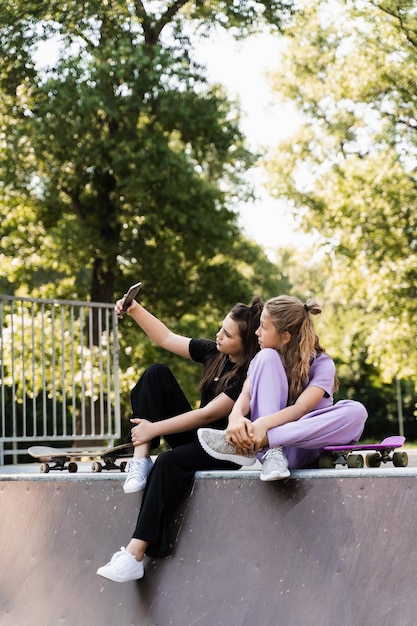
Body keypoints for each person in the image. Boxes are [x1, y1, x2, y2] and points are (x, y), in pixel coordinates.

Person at [96, 292, 263, 582]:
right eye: (221, 328)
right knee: (156, 373)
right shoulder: (215, 353)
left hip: (226, 449)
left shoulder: (248, 373)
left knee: (169, 463)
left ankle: (135, 555)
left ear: (245, 343)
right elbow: (166, 338)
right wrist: (134, 309)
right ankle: (140, 459)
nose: (218, 335)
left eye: (227, 334)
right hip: (199, 440)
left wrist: (155, 428)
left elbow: (210, 414)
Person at [198, 295, 368, 481]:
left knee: (357, 412)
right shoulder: (263, 359)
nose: (257, 332)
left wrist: (261, 427)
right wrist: (235, 417)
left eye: (263, 326)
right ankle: (272, 450)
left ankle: (261, 442)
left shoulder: (322, 364)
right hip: (273, 457)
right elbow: (245, 395)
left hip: (306, 448)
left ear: (285, 337)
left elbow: (301, 408)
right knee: (267, 357)